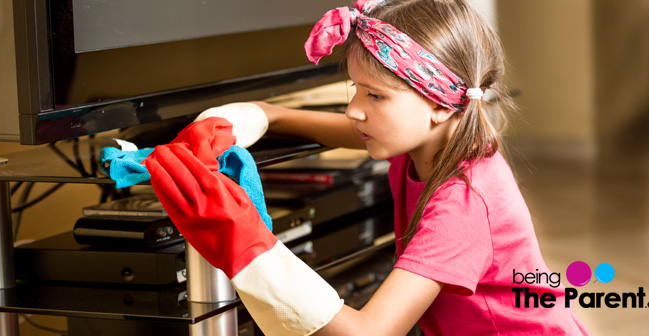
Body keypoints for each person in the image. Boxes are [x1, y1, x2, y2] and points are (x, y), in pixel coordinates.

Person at [146, 0, 592, 335]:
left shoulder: (464, 202)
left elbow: (370, 333)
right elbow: (322, 126)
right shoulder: (429, 140)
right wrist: (260, 114)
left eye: (374, 95)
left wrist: (244, 241)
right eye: (355, 89)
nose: (354, 110)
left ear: (439, 105)